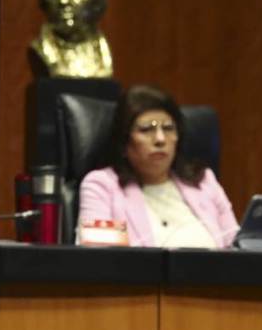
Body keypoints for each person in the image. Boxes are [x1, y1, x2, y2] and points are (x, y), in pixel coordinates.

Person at [78, 84, 238, 248]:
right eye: (146, 129)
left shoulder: (203, 182)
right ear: (124, 142)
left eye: (168, 128)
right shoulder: (103, 187)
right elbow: (99, 257)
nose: (160, 139)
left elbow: (237, 248)